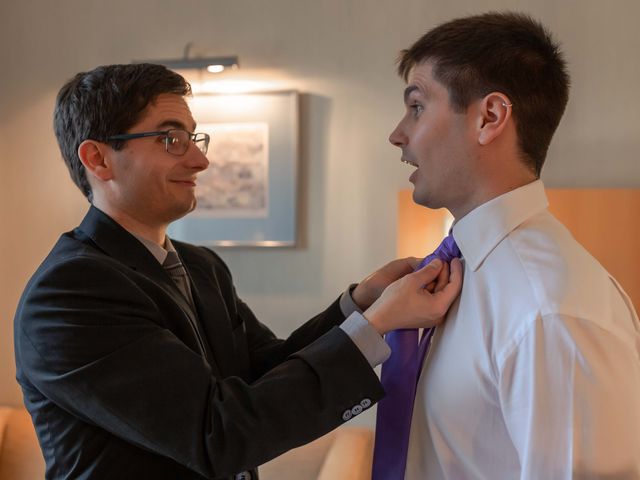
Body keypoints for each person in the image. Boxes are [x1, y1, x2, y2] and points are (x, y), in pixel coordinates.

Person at [13, 63, 463, 480]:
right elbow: (217, 435)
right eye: (171, 141)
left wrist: (361, 301)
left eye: (194, 139)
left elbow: (265, 371)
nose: (200, 161)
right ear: (97, 159)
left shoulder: (201, 266)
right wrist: (377, 324)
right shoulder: (68, 294)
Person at [384, 11, 640, 479]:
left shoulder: (549, 310)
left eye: (417, 106)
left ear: (490, 117)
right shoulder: (462, 275)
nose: (398, 134)